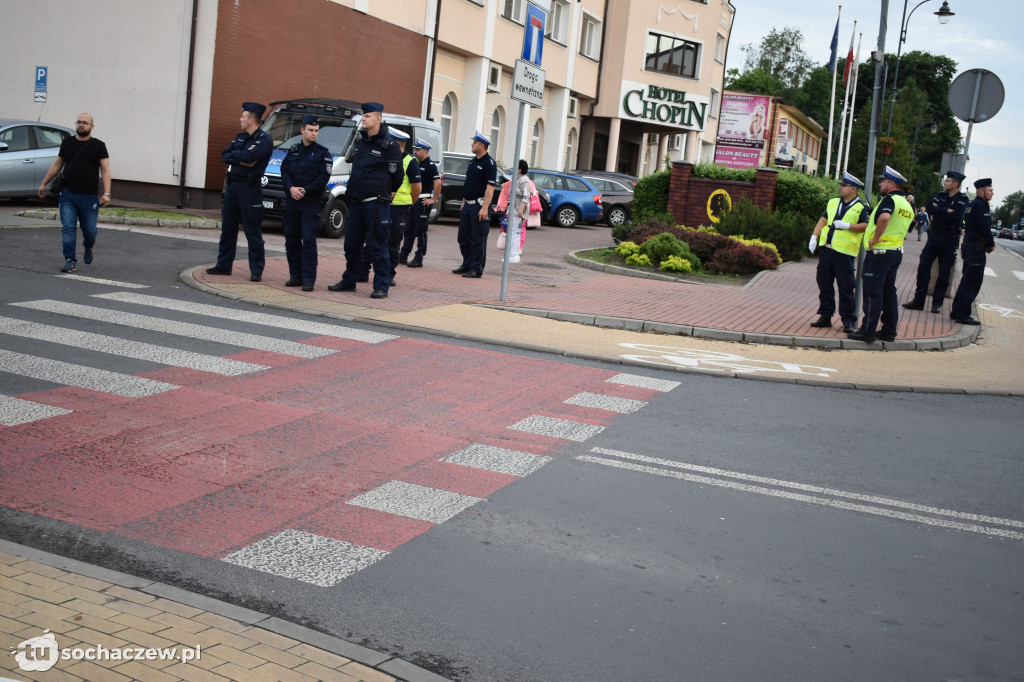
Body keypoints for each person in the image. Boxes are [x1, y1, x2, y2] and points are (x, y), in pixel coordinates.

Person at [327, 102, 404, 299]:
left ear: (378, 119)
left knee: (378, 245)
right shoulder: (362, 143)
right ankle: (349, 280)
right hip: (357, 202)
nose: (364, 119)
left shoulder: (389, 146)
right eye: (364, 116)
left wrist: (389, 192)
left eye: (367, 116)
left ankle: (381, 286)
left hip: (376, 203)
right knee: (351, 244)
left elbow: (397, 176)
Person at [206, 102, 273, 282]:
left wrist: (238, 157)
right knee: (228, 228)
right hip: (233, 188)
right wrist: (239, 159)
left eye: (243, 117)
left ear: (251, 120)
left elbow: (249, 157)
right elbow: (224, 155)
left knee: (252, 230)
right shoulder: (240, 137)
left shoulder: (264, 140)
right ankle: (223, 265)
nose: (240, 119)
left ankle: (256, 270)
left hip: (249, 190)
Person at [37, 113, 111, 273]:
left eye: (85, 122)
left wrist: (106, 193)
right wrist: (44, 183)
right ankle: (70, 260)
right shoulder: (68, 143)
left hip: (89, 196)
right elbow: (57, 164)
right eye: (79, 122)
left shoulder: (99, 146)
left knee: (90, 230)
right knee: (68, 228)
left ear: (92, 126)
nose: (81, 125)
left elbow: (105, 170)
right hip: (67, 194)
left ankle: (88, 247)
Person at [848, 166, 914, 343]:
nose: (880, 183)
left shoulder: (889, 200)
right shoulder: (906, 205)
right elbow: (895, 224)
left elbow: (885, 218)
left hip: (879, 253)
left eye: (883, 181)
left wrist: (875, 238)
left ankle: (867, 331)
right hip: (895, 253)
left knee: (872, 293)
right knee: (888, 293)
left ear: (891, 183)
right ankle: (889, 331)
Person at [807, 171, 869, 333]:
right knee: (824, 285)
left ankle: (848, 320)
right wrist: (814, 236)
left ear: (854, 188)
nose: (841, 188)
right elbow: (824, 219)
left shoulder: (861, 207)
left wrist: (847, 226)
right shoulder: (833, 202)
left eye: (844, 185)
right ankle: (825, 316)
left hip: (844, 254)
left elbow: (866, 226)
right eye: (841, 185)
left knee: (846, 288)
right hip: (827, 251)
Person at [901, 171, 969, 314]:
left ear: (955, 184)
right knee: (923, 267)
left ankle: (936, 304)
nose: (945, 182)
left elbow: (956, 216)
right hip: (935, 236)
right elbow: (930, 207)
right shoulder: (941, 195)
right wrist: (945, 210)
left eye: (948, 180)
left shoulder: (962, 199)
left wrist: (940, 211)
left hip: (950, 238)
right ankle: (918, 301)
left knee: (944, 273)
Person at [359, 128, 419, 286]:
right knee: (371, 238)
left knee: (392, 243)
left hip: (398, 209)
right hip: (380, 204)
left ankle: (389, 274)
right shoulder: (384, 157)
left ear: (396, 143)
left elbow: (417, 189)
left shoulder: (410, 162)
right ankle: (363, 271)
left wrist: (406, 203)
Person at [280, 114, 332, 292]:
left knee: (309, 242)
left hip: (310, 203)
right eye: (310, 130)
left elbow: (323, 178)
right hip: (293, 202)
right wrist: (291, 188)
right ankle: (296, 276)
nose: (314, 133)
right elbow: (284, 171)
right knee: (291, 240)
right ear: (302, 130)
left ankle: (309, 279)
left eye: (316, 131)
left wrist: (305, 190)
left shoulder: (323, 153)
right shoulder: (293, 150)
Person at [949, 178, 996, 325]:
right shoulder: (980, 206)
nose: (992, 193)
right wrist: (991, 243)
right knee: (973, 282)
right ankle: (963, 315)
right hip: (976, 248)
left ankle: (956, 311)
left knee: (966, 280)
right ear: (981, 191)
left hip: (970, 246)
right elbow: (984, 228)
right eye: (990, 191)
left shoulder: (972, 205)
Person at [452, 131, 497, 278]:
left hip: (479, 206)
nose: (472, 144)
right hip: (468, 205)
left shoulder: (489, 164)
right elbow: (469, 183)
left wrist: (484, 208)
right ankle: (467, 264)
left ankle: (476, 268)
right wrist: (464, 200)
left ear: (482, 145)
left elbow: (490, 188)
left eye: (475, 142)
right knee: (463, 238)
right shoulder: (473, 161)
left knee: (478, 239)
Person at [400, 138, 441, 268]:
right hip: (413, 200)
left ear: (425, 151)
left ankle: (419, 258)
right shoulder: (415, 163)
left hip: (423, 201)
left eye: (418, 149)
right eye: (414, 149)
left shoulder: (430, 166)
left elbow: (438, 183)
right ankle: (403, 255)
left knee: (420, 231)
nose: (415, 152)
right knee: (408, 229)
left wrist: (433, 199)